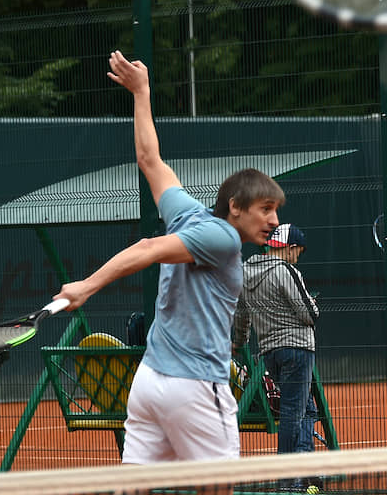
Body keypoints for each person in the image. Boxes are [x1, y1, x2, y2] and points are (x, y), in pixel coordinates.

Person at [53, 50, 285, 464]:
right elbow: (148, 249)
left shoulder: (186, 213)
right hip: (195, 387)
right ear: (235, 207)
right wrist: (86, 287)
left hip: (150, 385)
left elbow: (149, 160)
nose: (273, 219)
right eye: (265, 209)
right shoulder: (224, 239)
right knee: (218, 489)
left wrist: (141, 93)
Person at [233, 223, 320, 486]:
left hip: (270, 352)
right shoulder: (285, 270)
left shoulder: (245, 273)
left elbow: (241, 317)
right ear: (290, 248)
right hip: (297, 349)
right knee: (295, 413)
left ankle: (304, 469)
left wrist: (238, 343)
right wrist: (315, 305)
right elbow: (309, 315)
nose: (298, 257)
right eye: (298, 252)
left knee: (306, 409)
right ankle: (288, 481)